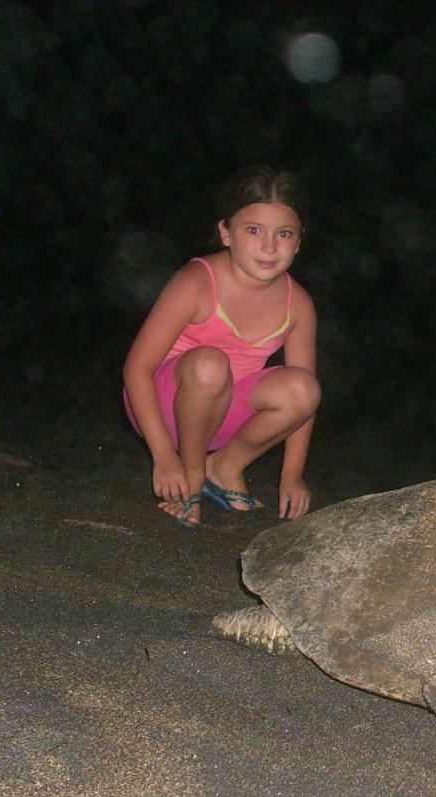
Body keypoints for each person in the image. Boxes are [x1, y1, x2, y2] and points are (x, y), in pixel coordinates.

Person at [123, 165, 320, 527]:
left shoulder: (299, 304)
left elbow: (305, 405)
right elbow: (137, 368)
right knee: (210, 364)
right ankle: (192, 477)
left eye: (284, 233)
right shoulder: (197, 281)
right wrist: (164, 455)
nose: (269, 246)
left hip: (224, 414)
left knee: (304, 389)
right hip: (162, 408)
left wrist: (292, 475)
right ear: (225, 232)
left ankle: (225, 466)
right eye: (253, 230)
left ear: (299, 241)